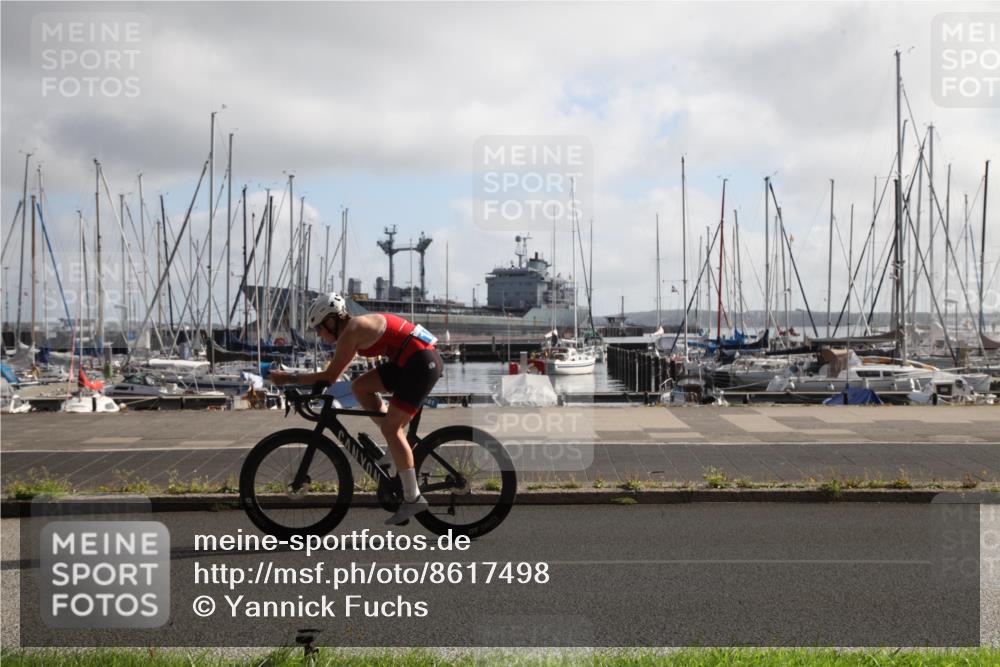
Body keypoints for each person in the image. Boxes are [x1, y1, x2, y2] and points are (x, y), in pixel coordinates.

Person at [269, 293, 443, 525]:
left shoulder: (351, 332)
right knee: (360, 387)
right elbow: (331, 376)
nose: (318, 335)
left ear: (331, 321)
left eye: (319, 328)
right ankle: (395, 449)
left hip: (421, 363)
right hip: (409, 359)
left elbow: (331, 376)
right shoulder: (354, 328)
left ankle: (413, 498)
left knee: (391, 429)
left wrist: (289, 379)